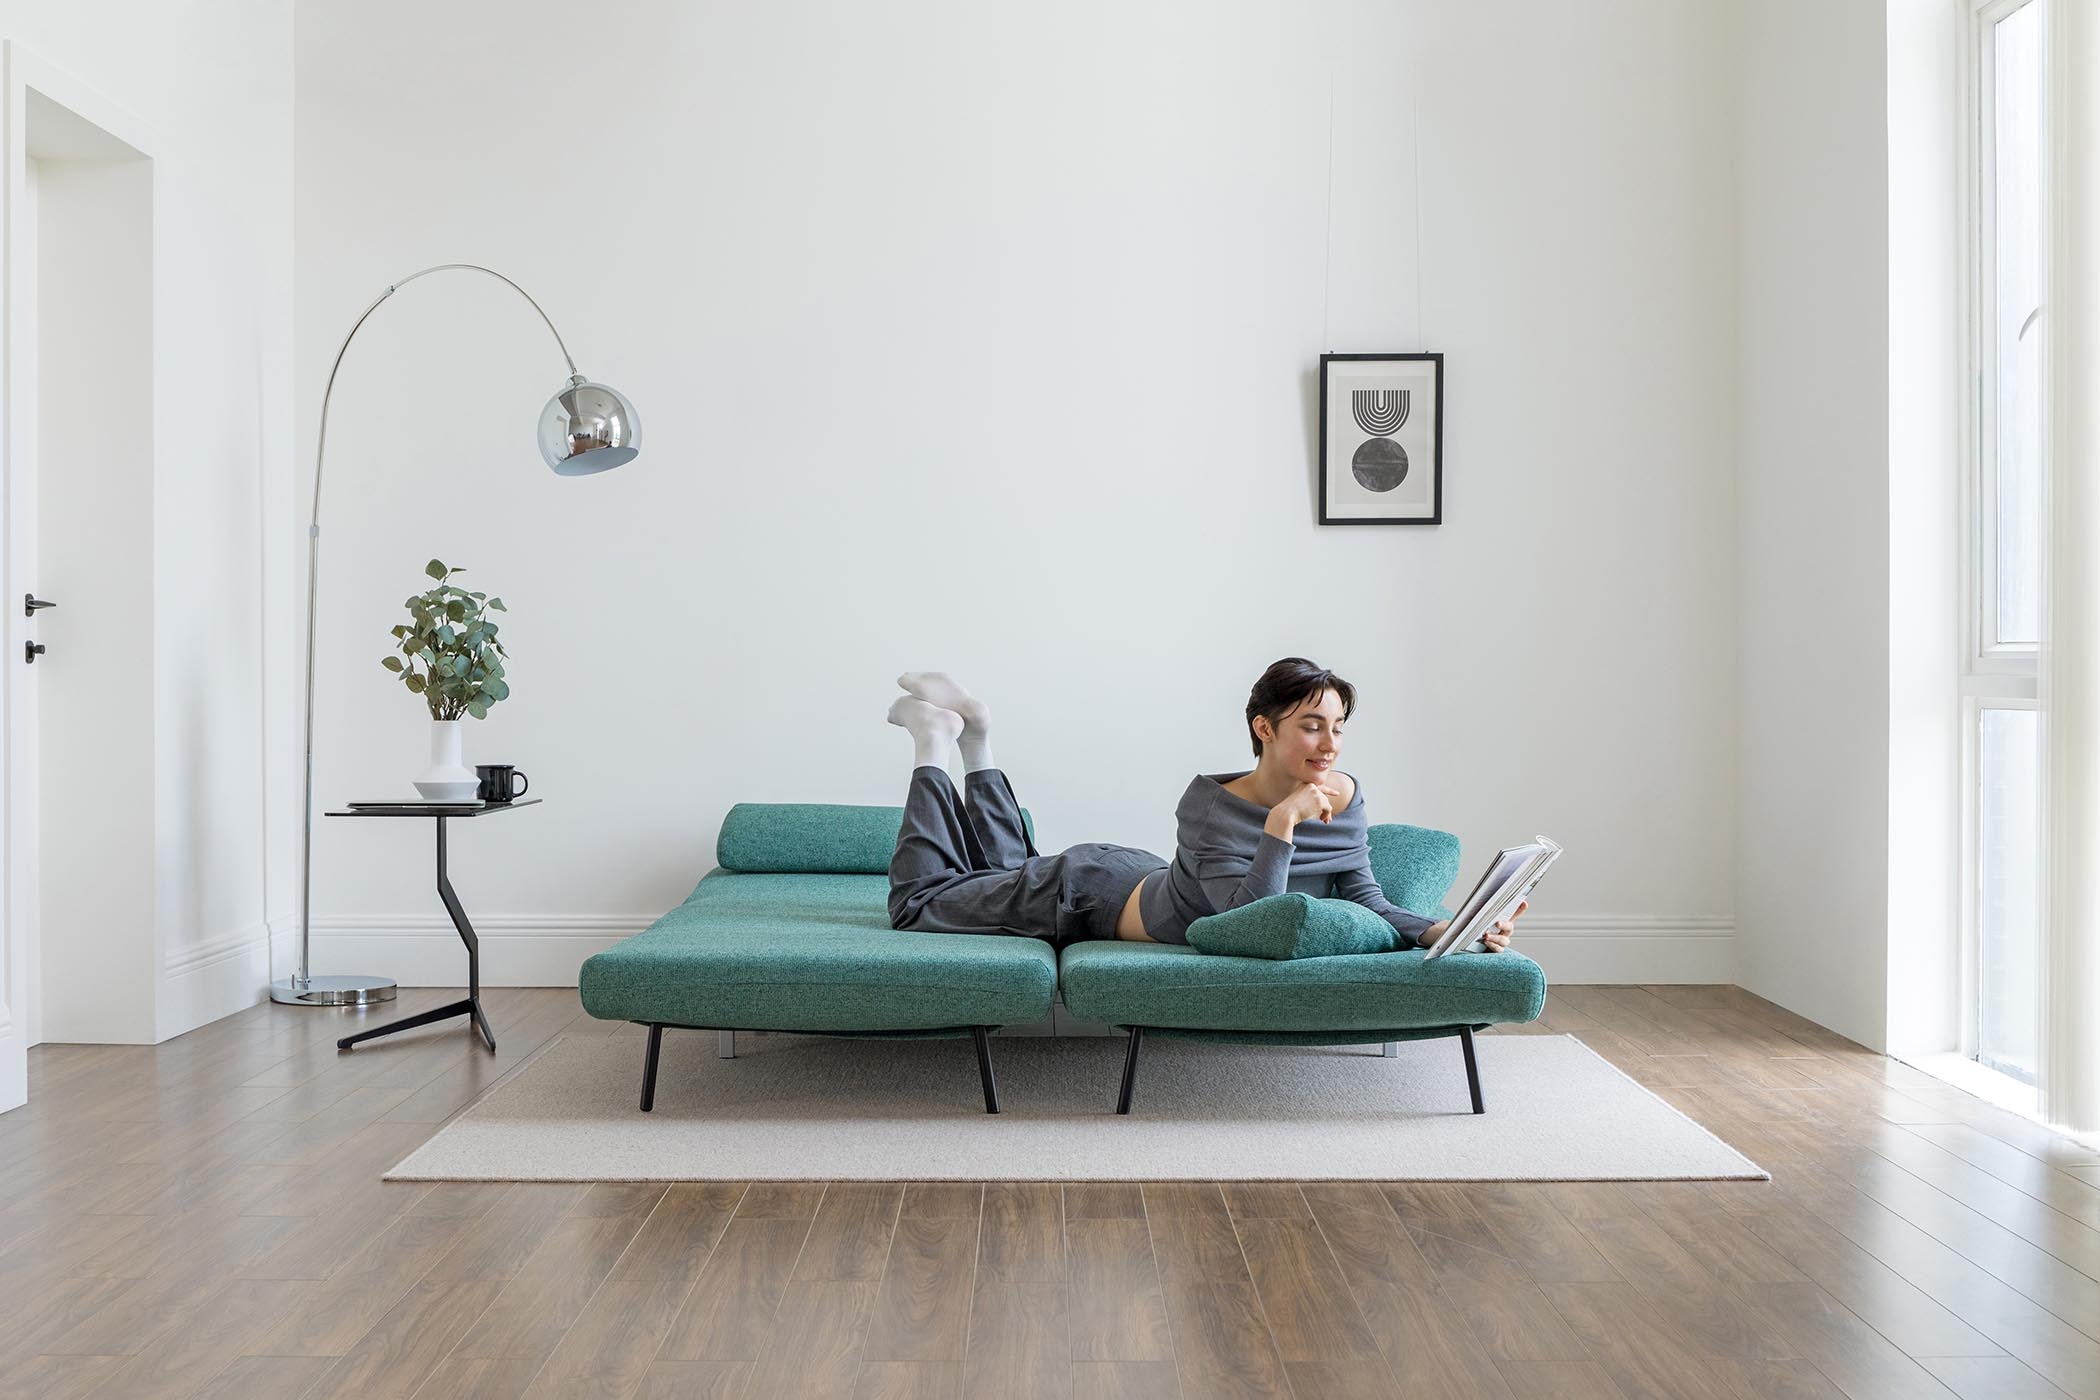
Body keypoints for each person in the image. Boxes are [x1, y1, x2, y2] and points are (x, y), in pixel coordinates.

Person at [885, 659, 1527, 952]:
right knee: (917, 906)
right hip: (1085, 893)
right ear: (1264, 728)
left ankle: (977, 734)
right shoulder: (1212, 808)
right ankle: (933, 742)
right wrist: (1281, 824)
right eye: (1311, 726)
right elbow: (1242, 924)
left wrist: (1449, 932)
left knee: (1001, 874)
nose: (1330, 744)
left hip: (1135, 876)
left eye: (1338, 726)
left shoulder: (1343, 797)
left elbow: (1367, 900)